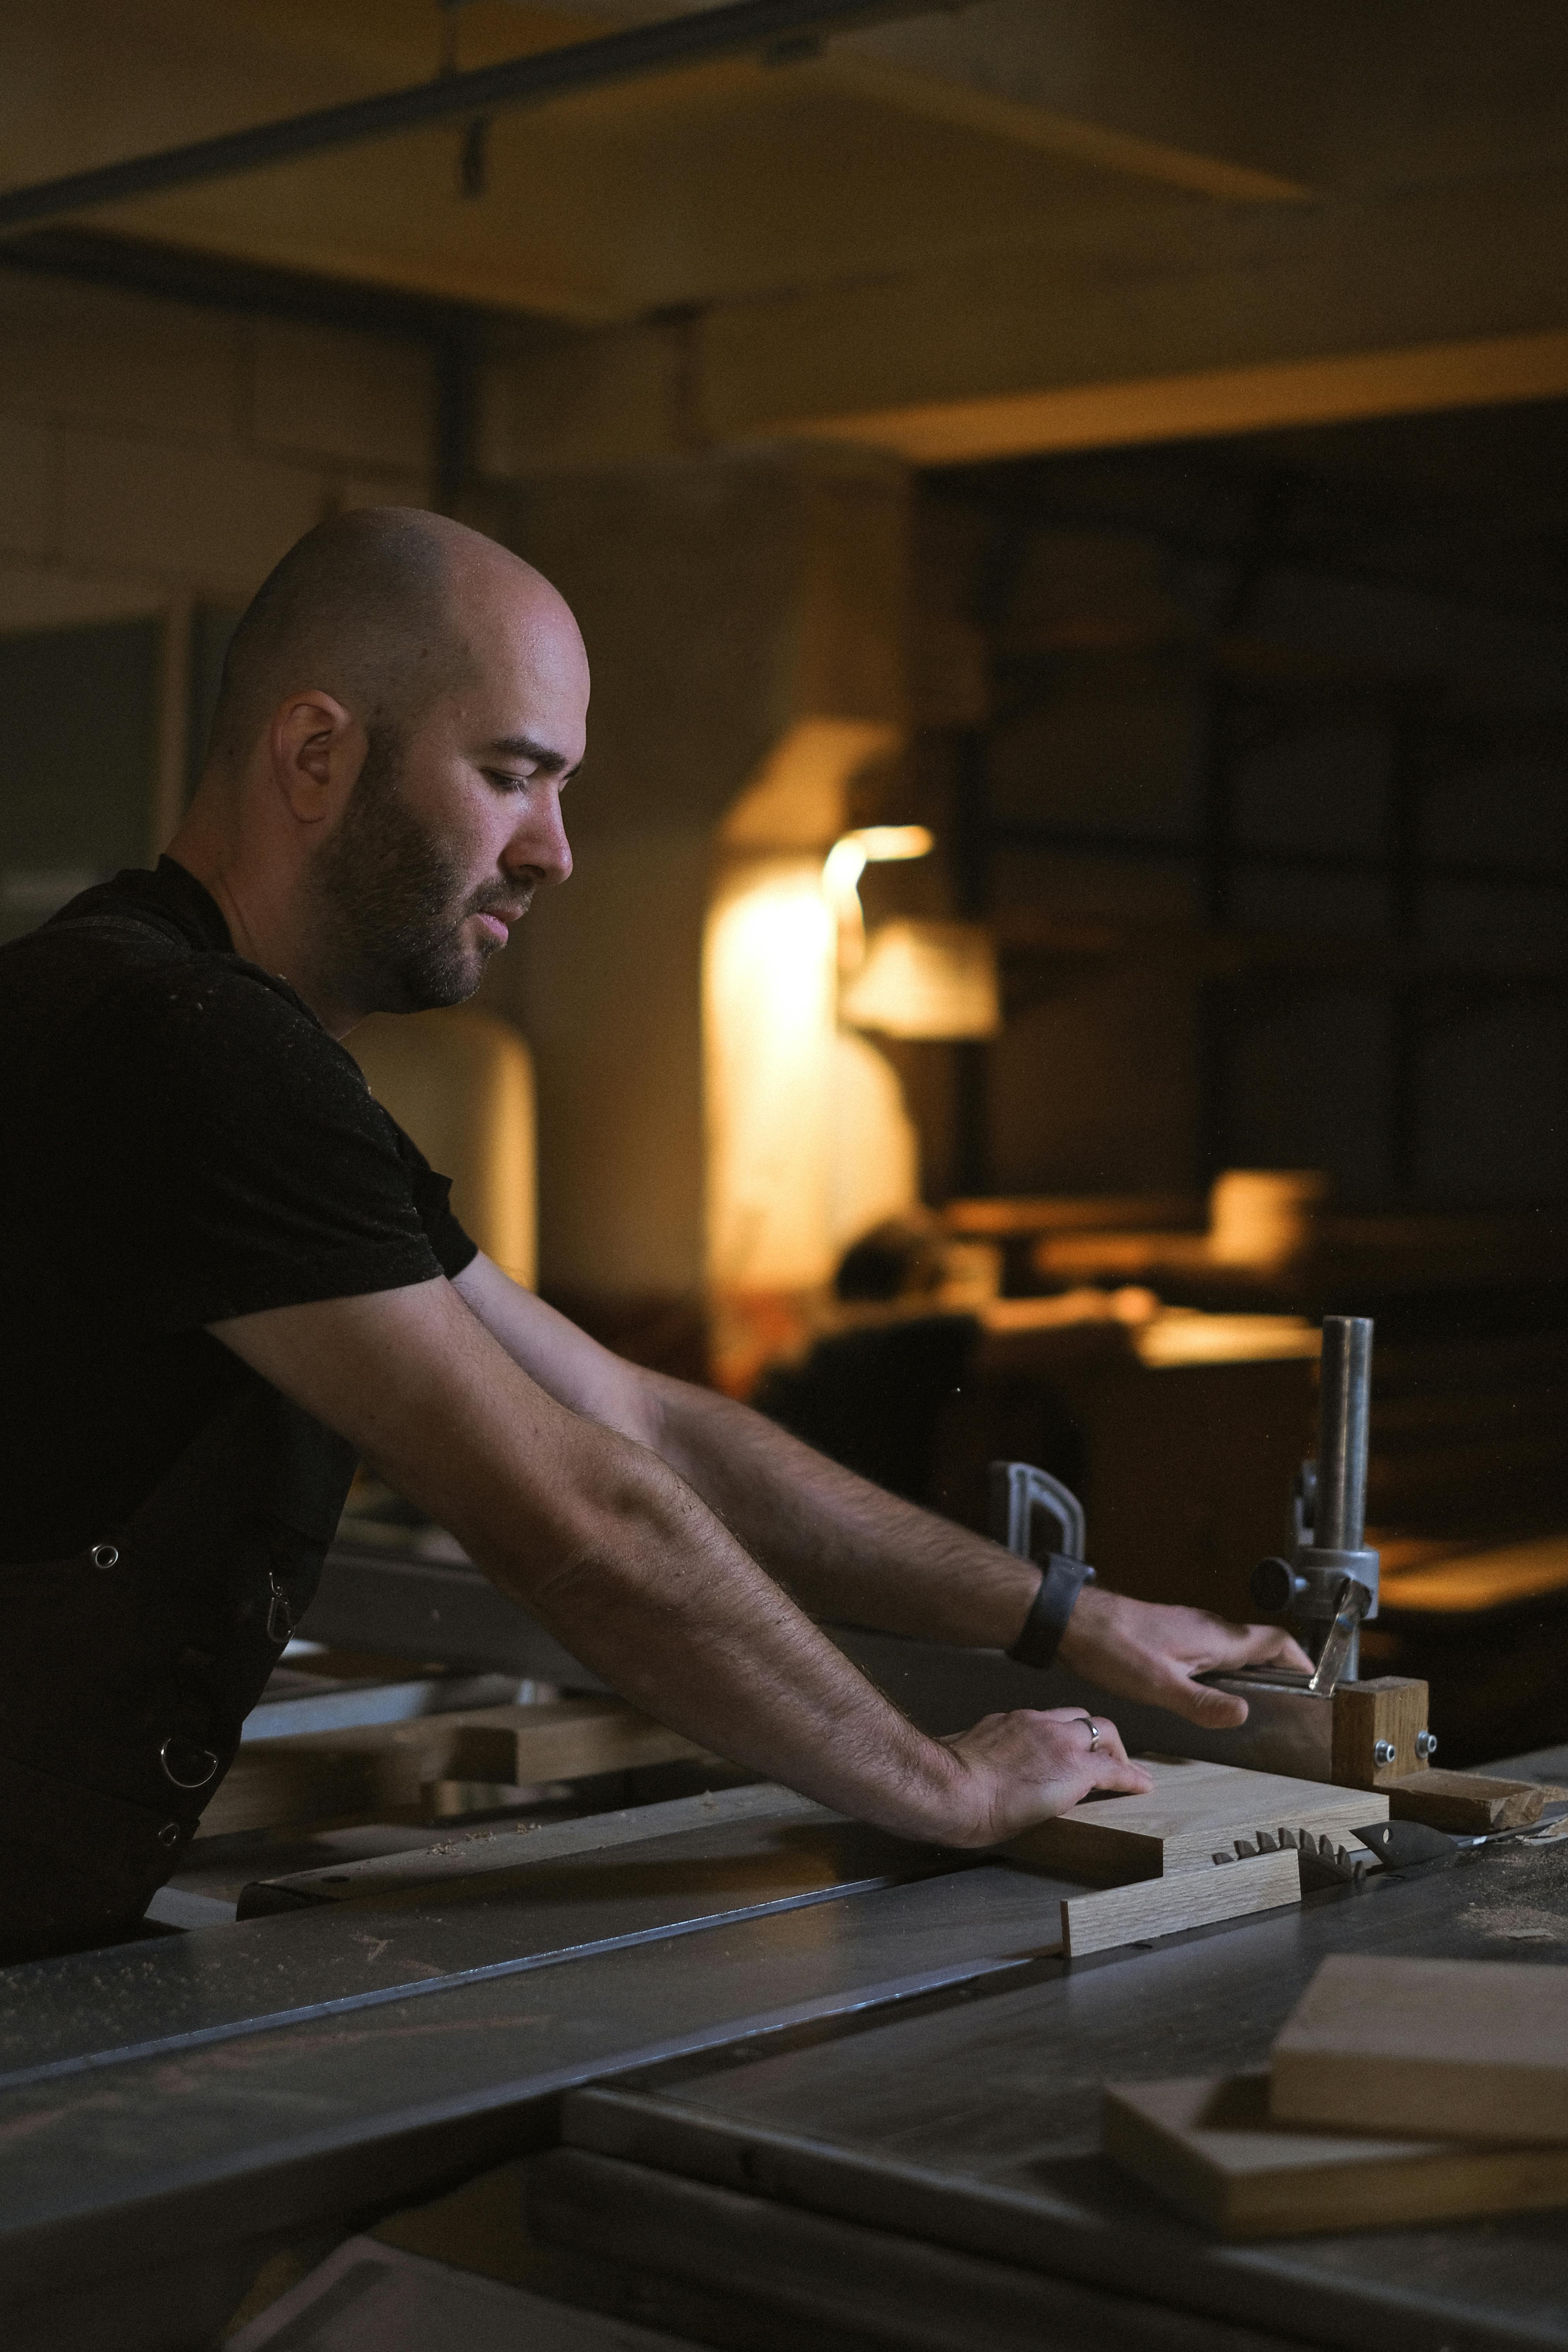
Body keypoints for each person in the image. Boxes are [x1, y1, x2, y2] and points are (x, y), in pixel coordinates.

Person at [0, 508, 1309, 1959]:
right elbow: (575, 1515)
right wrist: (942, 1781)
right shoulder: (185, 1043)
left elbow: (636, 1422)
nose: (554, 850)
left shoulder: (204, 1030)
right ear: (316, 757)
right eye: (510, 775)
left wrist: (1069, 1614)